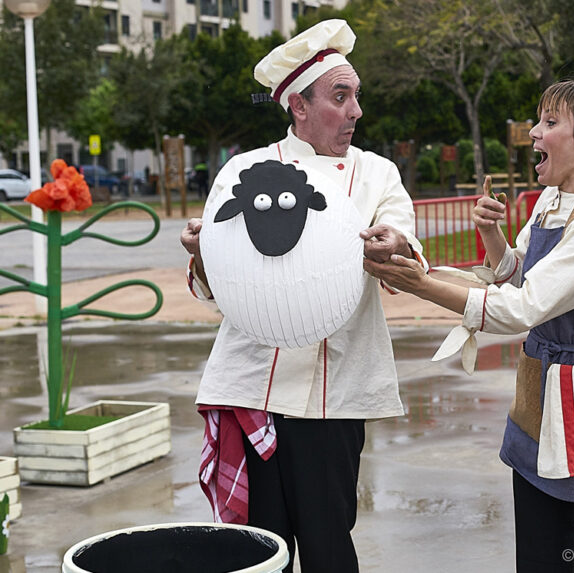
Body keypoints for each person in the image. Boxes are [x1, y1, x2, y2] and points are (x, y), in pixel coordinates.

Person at [363, 78, 574, 572]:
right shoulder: (550, 201)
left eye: (551, 122)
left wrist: (422, 285)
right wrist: (491, 234)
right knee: (539, 558)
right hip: (544, 391)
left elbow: (522, 308)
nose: (534, 132)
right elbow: (518, 277)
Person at [180, 19, 426, 573]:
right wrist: (203, 252)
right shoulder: (244, 171)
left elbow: (405, 245)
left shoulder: (377, 174)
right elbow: (215, 289)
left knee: (329, 543)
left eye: (356, 96)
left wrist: (396, 245)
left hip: (334, 396)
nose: (357, 111)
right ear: (299, 106)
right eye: (341, 96)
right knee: (260, 552)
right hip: (253, 390)